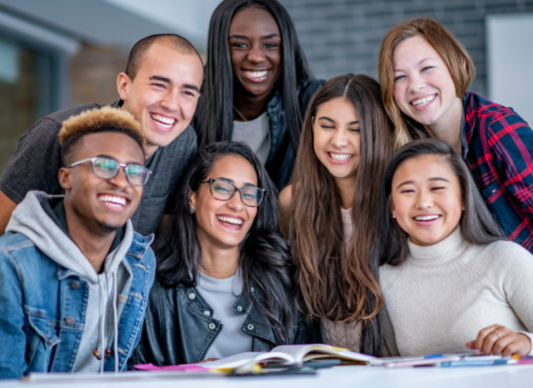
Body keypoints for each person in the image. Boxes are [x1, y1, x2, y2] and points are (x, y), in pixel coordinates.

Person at [378, 18, 533, 330]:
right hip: (484, 310)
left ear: (455, 64)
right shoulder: (415, 153)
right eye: (400, 77)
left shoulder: (495, 129)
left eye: (427, 68)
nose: (415, 85)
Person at [378, 138, 533, 357]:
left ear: (463, 197)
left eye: (437, 187)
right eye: (408, 191)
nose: (424, 202)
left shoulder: (505, 259)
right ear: (392, 206)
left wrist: (528, 344)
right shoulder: (384, 280)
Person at [0, 107, 156, 378]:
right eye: (104, 166)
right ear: (66, 177)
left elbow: (129, 369)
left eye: (134, 171)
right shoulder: (10, 266)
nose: (121, 181)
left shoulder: (140, 261)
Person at [0, 34, 204, 237]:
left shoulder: (183, 143)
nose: (171, 104)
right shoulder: (58, 134)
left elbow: (161, 242)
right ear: (124, 86)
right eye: (159, 85)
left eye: (187, 93)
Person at [130, 141, 310, 366]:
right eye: (223, 187)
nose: (237, 205)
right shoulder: (152, 294)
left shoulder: (282, 284)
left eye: (249, 193)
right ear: (191, 197)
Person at [279, 74, 393, 356]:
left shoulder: (397, 201)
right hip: (327, 370)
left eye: (355, 130)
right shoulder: (293, 200)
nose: (338, 141)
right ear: (312, 127)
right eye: (327, 126)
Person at [194, 0, 325, 190]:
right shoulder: (190, 107)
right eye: (240, 45)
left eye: (270, 45)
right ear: (220, 50)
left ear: (286, 50)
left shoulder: (314, 101)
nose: (256, 56)